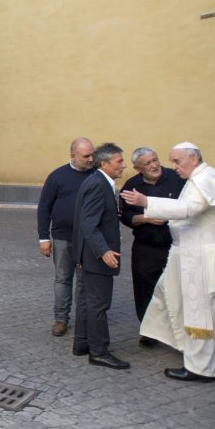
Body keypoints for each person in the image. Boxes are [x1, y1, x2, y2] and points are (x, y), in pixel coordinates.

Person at [121, 142, 215, 382]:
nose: (172, 167)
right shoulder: (199, 177)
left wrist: (147, 203)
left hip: (201, 256)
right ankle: (191, 351)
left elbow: (190, 208)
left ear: (194, 159)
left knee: (202, 310)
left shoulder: (203, 179)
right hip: (191, 253)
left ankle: (202, 367)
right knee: (168, 294)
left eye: (177, 161)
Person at [118, 147, 185, 347]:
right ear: (138, 168)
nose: (154, 165)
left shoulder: (176, 178)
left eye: (155, 160)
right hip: (146, 245)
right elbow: (126, 216)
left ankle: (178, 330)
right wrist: (145, 218)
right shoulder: (131, 186)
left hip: (175, 243)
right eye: (147, 163)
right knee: (145, 288)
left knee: (177, 287)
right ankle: (149, 330)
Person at [71, 143, 129, 369]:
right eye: (119, 161)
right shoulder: (98, 184)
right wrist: (104, 251)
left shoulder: (98, 181)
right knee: (98, 303)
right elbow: (89, 224)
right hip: (96, 255)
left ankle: (82, 342)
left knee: (87, 300)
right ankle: (99, 351)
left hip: (90, 254)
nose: (123, 166)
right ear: (104, 163)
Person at [37, 137, 95, 336]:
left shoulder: (96, 175)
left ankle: (84, 319)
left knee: (84, 280)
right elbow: (44, 207)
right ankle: (61, 319)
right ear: (72, 155)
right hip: (62, 237)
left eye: (92, 154)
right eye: (86, 156)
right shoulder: (57, 176)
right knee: (63, 279)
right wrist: (43, 237)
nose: (90, 159)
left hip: (89, 239)